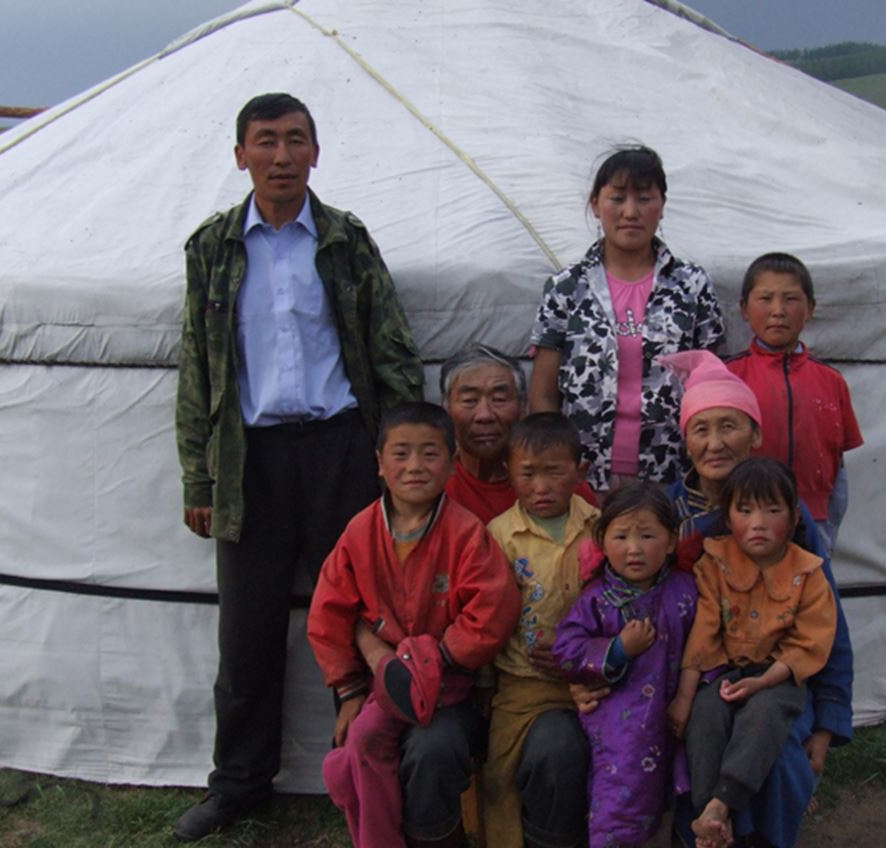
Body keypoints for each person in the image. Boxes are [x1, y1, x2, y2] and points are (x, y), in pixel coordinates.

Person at [173, 92, 422, 841]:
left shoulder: (346, 241)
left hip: (343, 448)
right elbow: (198, 372)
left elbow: (391, 349)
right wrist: (198, 477)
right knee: (247, 633)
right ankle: (240, 783)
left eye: (295, 140)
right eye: (265, 141)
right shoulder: (212, 248)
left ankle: (397, 764)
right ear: (240, 153)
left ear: (316, 151)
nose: (281, 156)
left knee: (373, 614)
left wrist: (404, 458)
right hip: (249, 458)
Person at [577, 350, 853, 847]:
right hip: (675, 679)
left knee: (782, 754)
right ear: (685, 440)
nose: (715, 442)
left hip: (776, 674)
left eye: (730, 426)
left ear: (756, 435)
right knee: (695, 739)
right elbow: (609, 598)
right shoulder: (663, 514)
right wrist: (595, 670)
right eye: (701, 429)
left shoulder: (785, 514)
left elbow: (826, 616)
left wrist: (829, 720)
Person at [307, 402, 520, 848]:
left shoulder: (466, 533)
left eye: (430, 453)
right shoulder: (360, 533)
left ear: (452, 462)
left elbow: (492, 610)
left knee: (407, 748)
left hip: (452, 688)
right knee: (362, 743)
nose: (415, 467)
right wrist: (349, 690)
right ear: (380, 464)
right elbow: (329, 612)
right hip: (379, 688)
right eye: (401, 454)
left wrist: (432, 660)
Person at [528, 145, 725, 492]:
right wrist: (555, 470)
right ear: (595, 204)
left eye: (645, 198)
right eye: (617, 198)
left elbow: (715, 385)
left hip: (673, 472)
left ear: (662, 205)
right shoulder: (566, 288)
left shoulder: (691, 286)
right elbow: (544, 396)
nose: (630, 212)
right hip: (584, 476)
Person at [669, 459, 837, 848]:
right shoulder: (715, 562)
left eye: (772, 510)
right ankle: (709, 817)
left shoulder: (809, 573)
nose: (758, 523)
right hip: (724, 672)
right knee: (705, 717)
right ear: (727, 518)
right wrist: (685, 695)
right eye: (745, 511)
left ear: (795, 517)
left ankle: (722, 804)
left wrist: (763, 681)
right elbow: (705, 631)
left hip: (779, 678)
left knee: (762, 717)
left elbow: (809, 644)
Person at [554, 484, 699, 848]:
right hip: (620, 723)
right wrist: (618, 648)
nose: (634, 548)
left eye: (647, 535)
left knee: (670, 802)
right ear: (602, 541)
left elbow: (709, 647)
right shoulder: (597, 598)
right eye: (621, 536)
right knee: (619, 802)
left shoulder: (686, 592)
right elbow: (567, 649)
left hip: (675, 715)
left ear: (670, 541)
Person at [482, 413, 600, 848]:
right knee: (499, 777)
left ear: (580, 472)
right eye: (528, 474)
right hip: (522, 683)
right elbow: (486, 614)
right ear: (508, 474)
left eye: (555, 471)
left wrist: (587, 653)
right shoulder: (499, 535)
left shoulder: (599, 528)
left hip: (590, 678)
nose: (541, 486)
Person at [725, 252, 863, 552]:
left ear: (810, 308)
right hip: (748, 517)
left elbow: (838, 466)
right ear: (744, 309)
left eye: (790, 299)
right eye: (766, 299)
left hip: (814, 516)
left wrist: (828, 525)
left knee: (812, 591)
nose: (778, 311)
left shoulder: (831, 380)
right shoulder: (729, 377)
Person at [441, 344, 597, 524]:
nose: (485, 415)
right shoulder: (434, 483)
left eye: (499, 400)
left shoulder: (561, 481)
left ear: (523, 407)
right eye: (469, 401)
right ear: (446, 410)